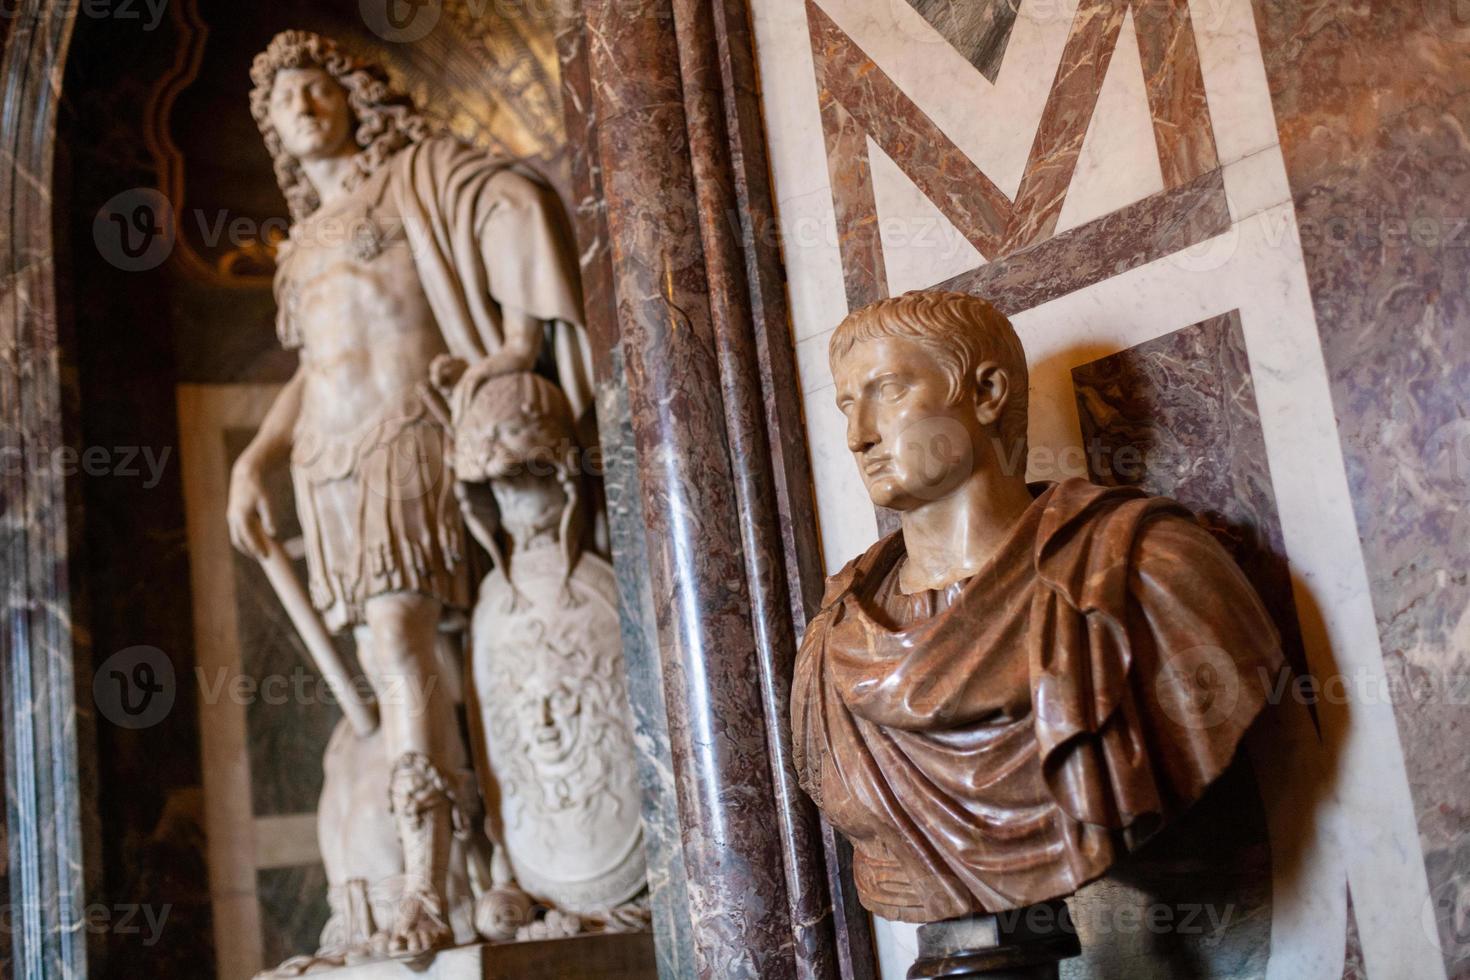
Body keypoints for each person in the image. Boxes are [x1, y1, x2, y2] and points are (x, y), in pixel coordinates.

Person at [226, 30, 587, 958]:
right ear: (272, 131)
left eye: (316, 89)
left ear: (351, 98)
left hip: (407, 433)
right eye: (283, 101)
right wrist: (256, 458)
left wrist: (511, 344)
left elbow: (509, 202)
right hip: (327, 459)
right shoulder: (300, 243)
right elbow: (311, 366)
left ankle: (422, 890)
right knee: (418, 662)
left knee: (401, 646)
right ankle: (478, 875)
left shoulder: (418, 175)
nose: (302, 106)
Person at [793, 290, 1284, 923]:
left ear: (988, 392)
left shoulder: (1145, 573)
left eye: (887, 390)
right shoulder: (834, 638)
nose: (859, 436)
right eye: (845, 405)